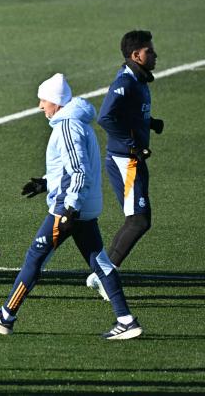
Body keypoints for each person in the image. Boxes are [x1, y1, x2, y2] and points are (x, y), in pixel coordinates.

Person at [0, 74, 143, 340]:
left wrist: (69, 207)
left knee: (35, 257)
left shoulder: (66, 126)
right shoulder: (75, 123)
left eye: (43, 100)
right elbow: (69, 167)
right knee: (100, 261)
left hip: (69, 208)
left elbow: (78, 170)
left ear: (56, 101)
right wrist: (44, 183)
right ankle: (126, 319)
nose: (41, 106)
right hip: (81, 206)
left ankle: (6, 315)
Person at [87, 30, 163, 300]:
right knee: (138, 221)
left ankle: (102, 273)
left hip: (133, 158)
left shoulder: (139, 80)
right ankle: (104, 277)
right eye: (149, 51)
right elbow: (106, 117)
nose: (154, 55)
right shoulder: (126, 82)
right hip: (126, 160)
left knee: (139, 220)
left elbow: (128, 113)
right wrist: (132, 146)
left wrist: (150, 122)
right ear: (136, 55)